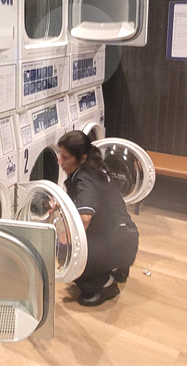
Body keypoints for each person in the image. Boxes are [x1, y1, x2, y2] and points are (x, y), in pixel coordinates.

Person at [56, 130, 139, 306]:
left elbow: (85, 218)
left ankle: (105, 285)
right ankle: (117, 269)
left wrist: (68, 239)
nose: (59, 162)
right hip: (125, 237)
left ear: (82, 158)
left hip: (117, 245)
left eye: (65, 157)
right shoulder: (94, 168)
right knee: (77, 245)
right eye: (59, 156)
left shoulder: (85, 180)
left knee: (64, 251)